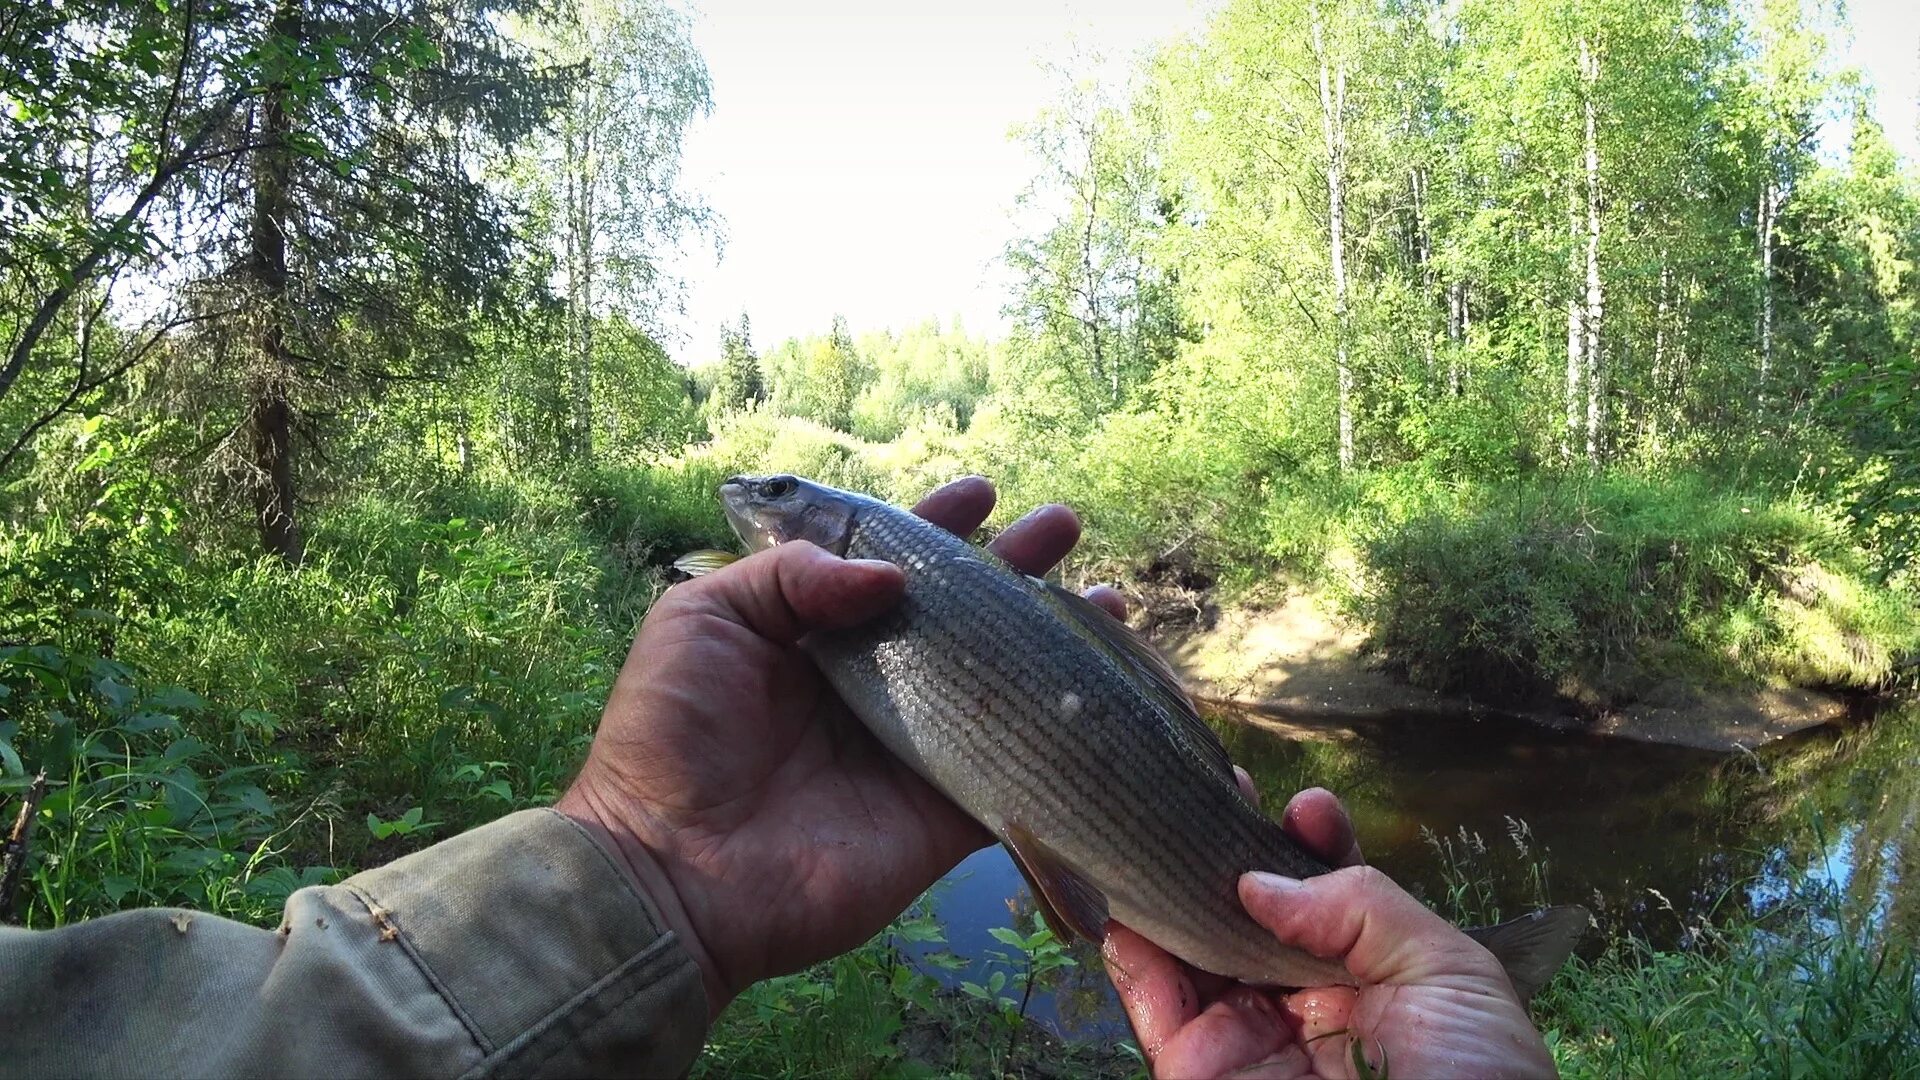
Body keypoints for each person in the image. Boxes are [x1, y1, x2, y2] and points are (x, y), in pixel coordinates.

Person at [0, 478, 1555, 1079]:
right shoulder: (848, 587)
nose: (758, 508)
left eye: (787, 503)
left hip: (1178, 855)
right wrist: (652, 859)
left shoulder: (883, 560)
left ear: (841, 536)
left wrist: (640, 869)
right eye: (770, 505)